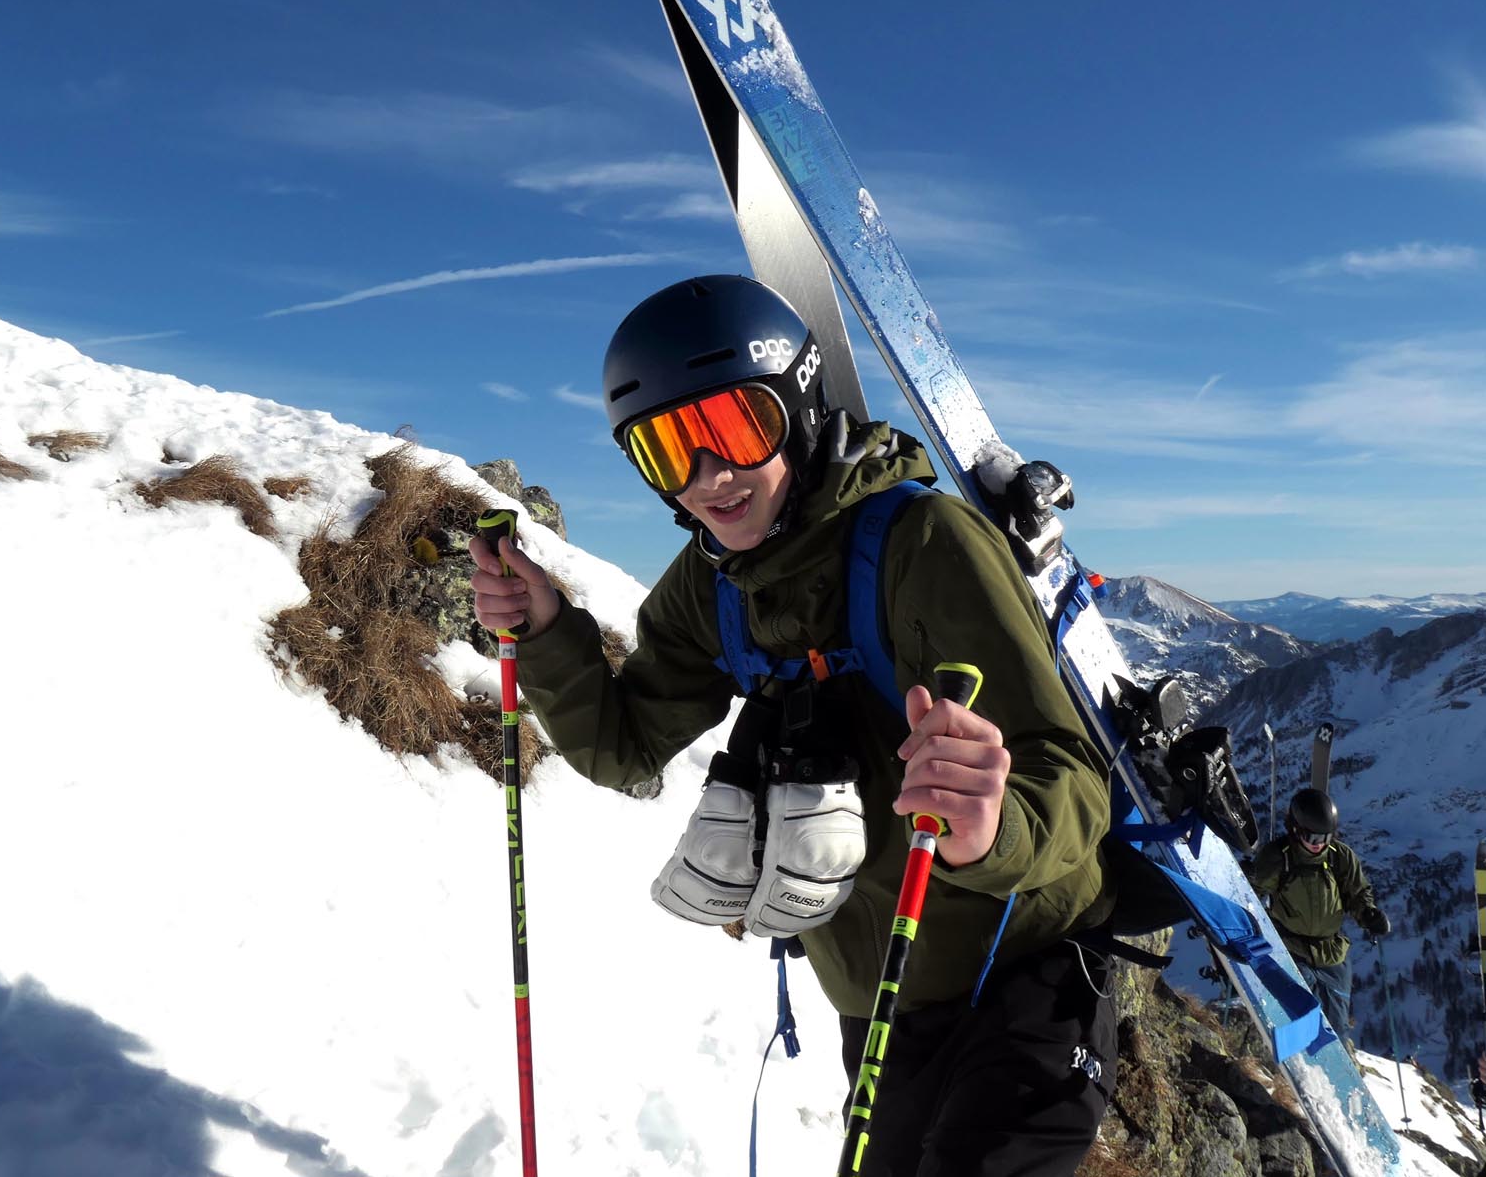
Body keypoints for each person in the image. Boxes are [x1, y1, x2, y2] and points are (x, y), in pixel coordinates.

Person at [469, 274, 1119, 1177]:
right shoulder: (711, 587)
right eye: (667, 449)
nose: (708, 477)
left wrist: (993, 827)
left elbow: (1076, 779)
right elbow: (623, 750)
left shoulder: (926, 545)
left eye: (736, 427)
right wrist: (546, 633)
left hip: (1029, 973)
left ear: (801, 407)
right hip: (879, 1001)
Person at [1245, 786, 1389, 1047]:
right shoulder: (1279, 857)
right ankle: (1294, 1057)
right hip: (1291, 948)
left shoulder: (1340, 857)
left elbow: (1357, 893)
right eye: (1312, 836)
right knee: (1300, 1011)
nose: (1319, 843)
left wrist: (1368, 914)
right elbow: (1252, 894)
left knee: (1336, 1026)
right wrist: (1246, 883)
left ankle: (1331, 1063)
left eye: (1325, 836)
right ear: (1295, 829)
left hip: (1332, 953)